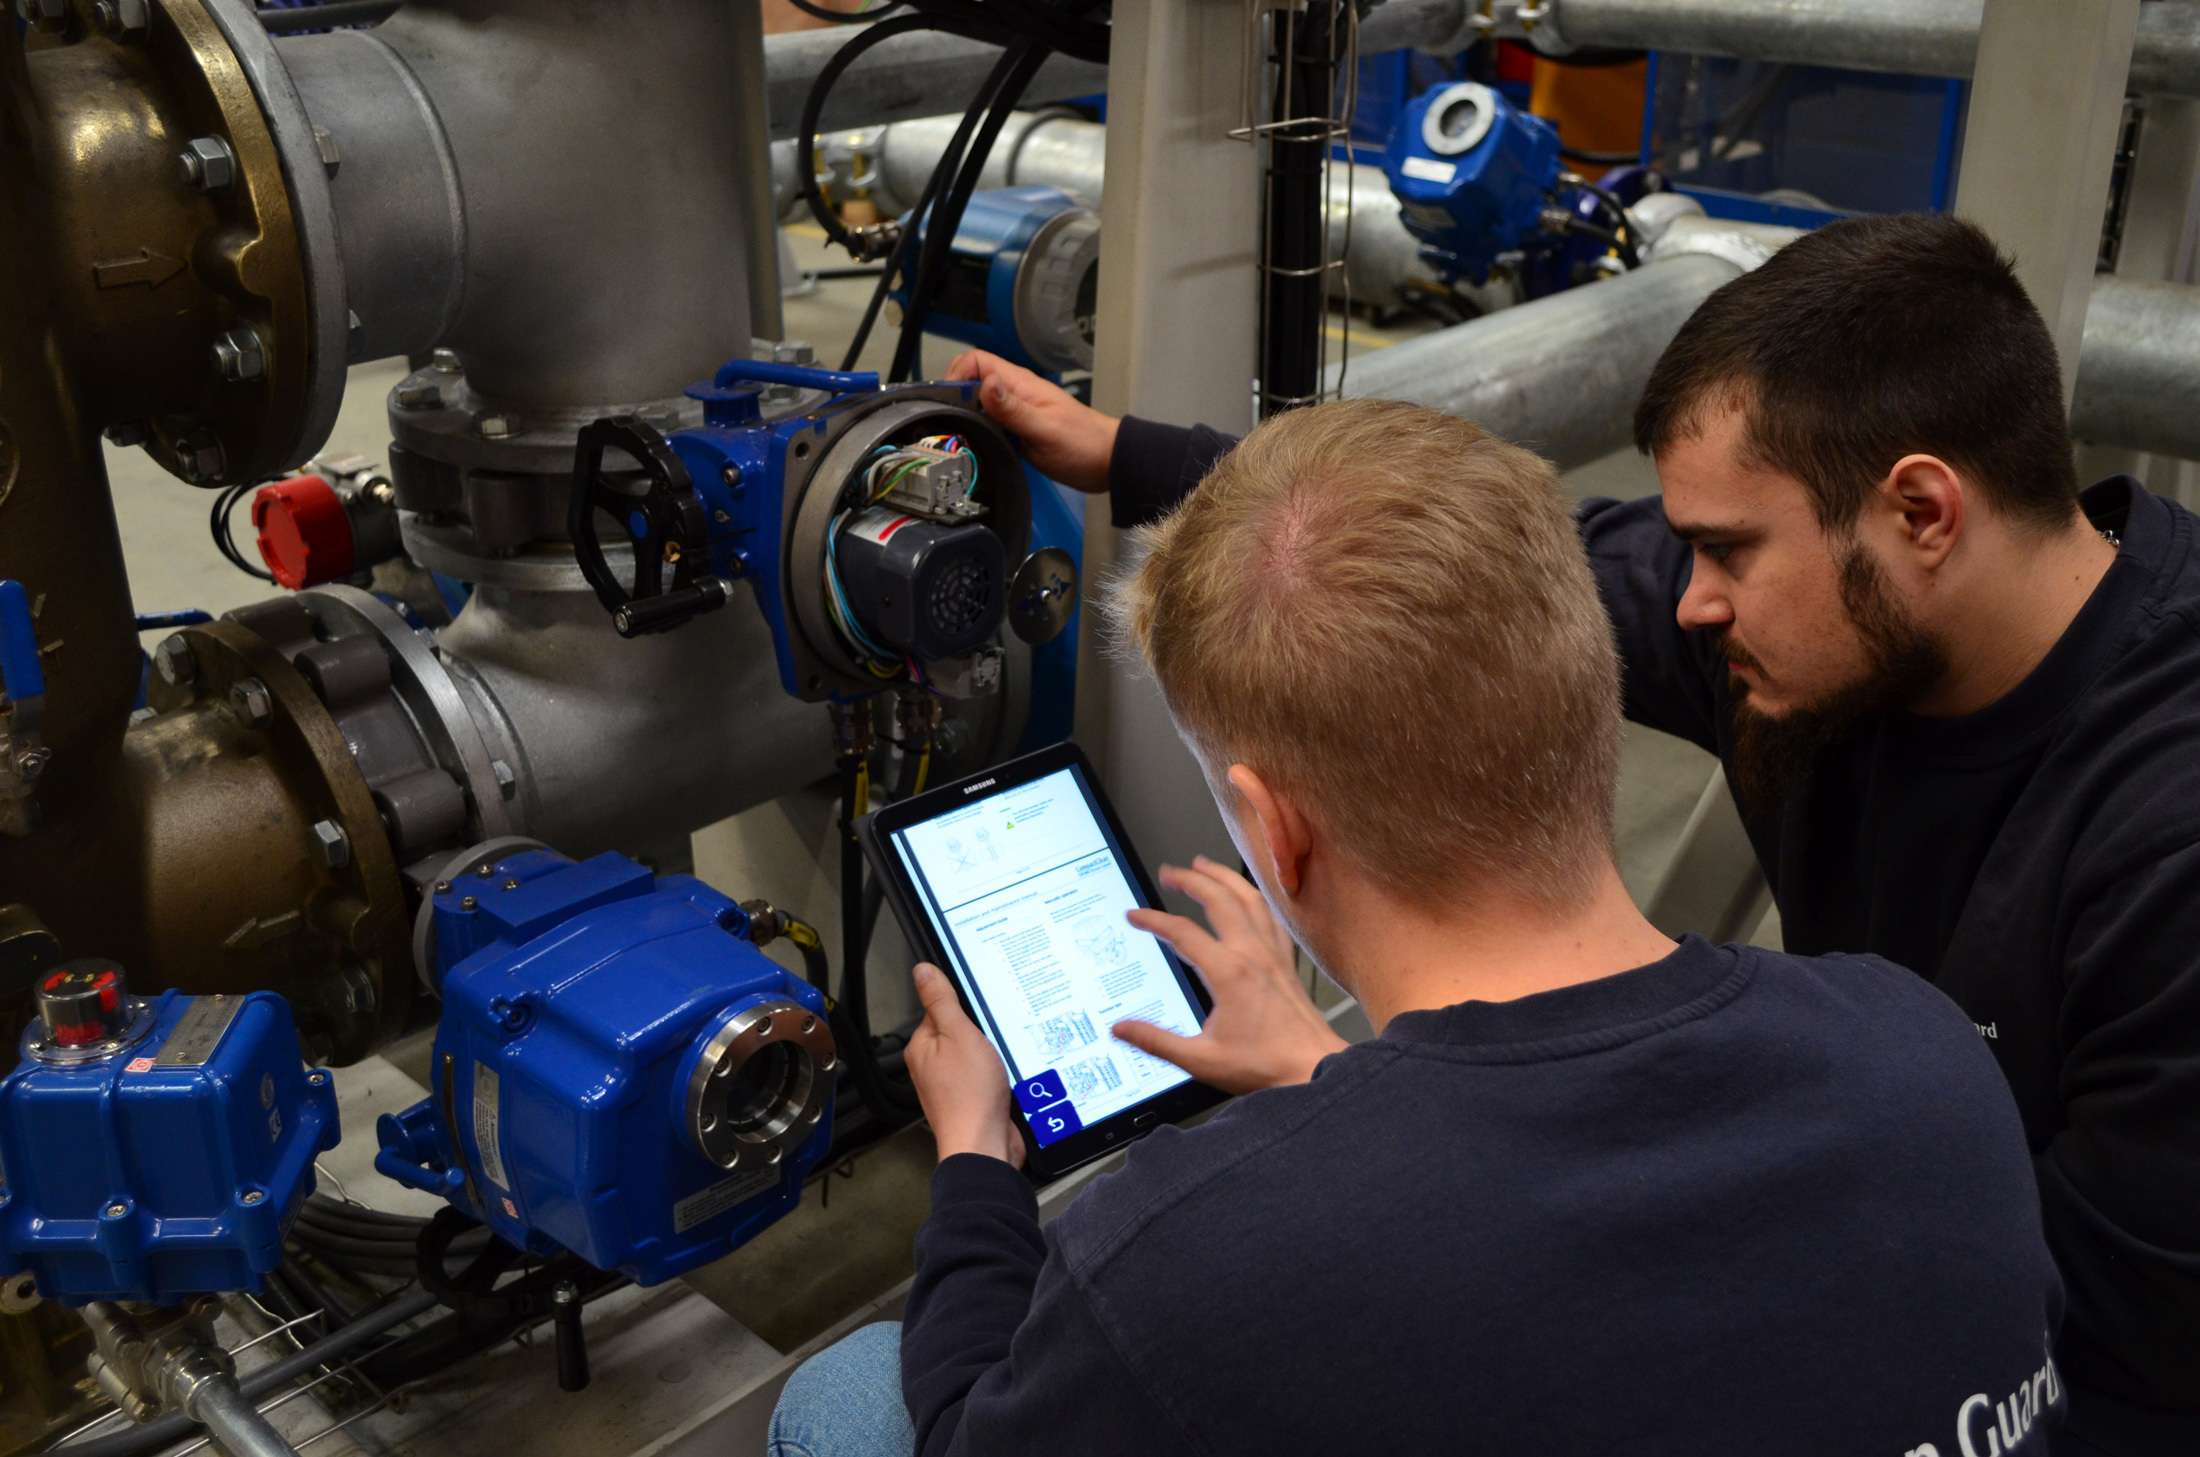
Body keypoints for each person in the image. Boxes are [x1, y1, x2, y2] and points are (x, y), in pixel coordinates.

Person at [936, 212, 2200, 1457]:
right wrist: (1132, 453)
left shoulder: (2160, 844)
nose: (1689, 597)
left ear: (1922, 512)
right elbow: (1468, 585)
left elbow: (2097, 1365)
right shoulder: (1892, 965)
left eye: (1723, 548)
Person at [769, 397, 2062, 1457]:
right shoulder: (1928, 1053)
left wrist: (978, 1159)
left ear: (1275, 834)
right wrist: (1336, 1082)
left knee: (843, 1404)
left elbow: (962, 1435)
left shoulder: (1192, 1265)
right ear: (1582, 692)